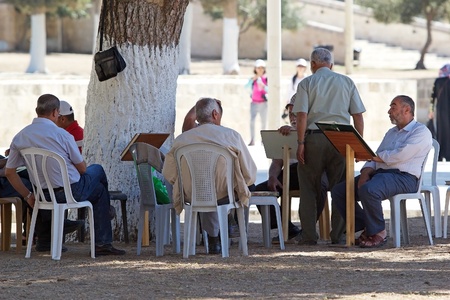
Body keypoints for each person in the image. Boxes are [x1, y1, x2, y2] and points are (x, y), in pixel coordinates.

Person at [5, 94, 125, 256]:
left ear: (36, 111)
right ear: (56, 113)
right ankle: (103, 239)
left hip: (42, 195)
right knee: (97, 172)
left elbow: (9, 172)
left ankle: (45, 242)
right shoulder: (63, 135)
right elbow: (82, 169)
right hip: (70, 192)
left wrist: (28, 196)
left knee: (90, 185)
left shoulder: (20, 137)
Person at [331, 95, 432, 248]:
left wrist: (373, 157)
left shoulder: (421, 131)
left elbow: (400, 156)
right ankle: (367, 226)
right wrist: (365, 173)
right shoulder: (391, 132)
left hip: (404, 177)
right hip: (381, 176)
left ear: (407, 109)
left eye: (393, 107)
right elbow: (374, 158)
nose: (389, 111)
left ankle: (378, 233)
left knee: (370, 190)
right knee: (340, 191)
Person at [163, 97, 257, 254]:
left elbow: (169, 174)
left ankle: (214, 237)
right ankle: (226, 223)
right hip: (225, 194)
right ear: (215, 114)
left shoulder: (181, 140)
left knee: (203, 185)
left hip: (192, 194)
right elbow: (249, 173)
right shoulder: (231, 136)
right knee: (230, 185)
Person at [292, 47, 366, 245]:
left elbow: (301, 115)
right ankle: (339, 235)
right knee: (341, 187)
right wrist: (358, 144)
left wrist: (300, 143)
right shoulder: (346, 82)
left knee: (308, 188)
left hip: (314, 138)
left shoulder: (306, 83)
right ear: (331, 64)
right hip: (342, 138)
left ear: (313, 64)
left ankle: (308, 235)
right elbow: (358, 116)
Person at [255, 101, 328, 243]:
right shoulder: (285, 133)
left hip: (311, 173)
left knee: (320, 184)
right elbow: (277, 162)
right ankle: (287, 228)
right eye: (290, 115)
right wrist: (272, 176)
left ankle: (308, 230)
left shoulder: (313, 131)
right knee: (261, 190)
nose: (293, 118)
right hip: (291, 176)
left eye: (296, 114)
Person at [429, 63, 450, 161]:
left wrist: (431, 111)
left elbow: (432, 97)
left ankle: (440, 155)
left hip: (441, 112)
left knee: (441, 132)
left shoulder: (438, 81)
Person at [246, 59, 268, 146]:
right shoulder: (253, 79)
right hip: (254, 103)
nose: (260, 69)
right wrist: (252, 80)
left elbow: (269, 90)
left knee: (263, 122)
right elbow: (246, 87)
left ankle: (263, 140)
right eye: (258, 68)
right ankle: (252, 139)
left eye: (262, 68)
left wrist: (263, 86)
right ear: (255, 69)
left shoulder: (266, 79)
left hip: (263, 103)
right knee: (252, 121)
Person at [282, 58, 308, 123]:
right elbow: (289, 91)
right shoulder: (293, 79)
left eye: (302, 66)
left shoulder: (307, 79)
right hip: (293, 105)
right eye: (299, 66)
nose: (300, 68)